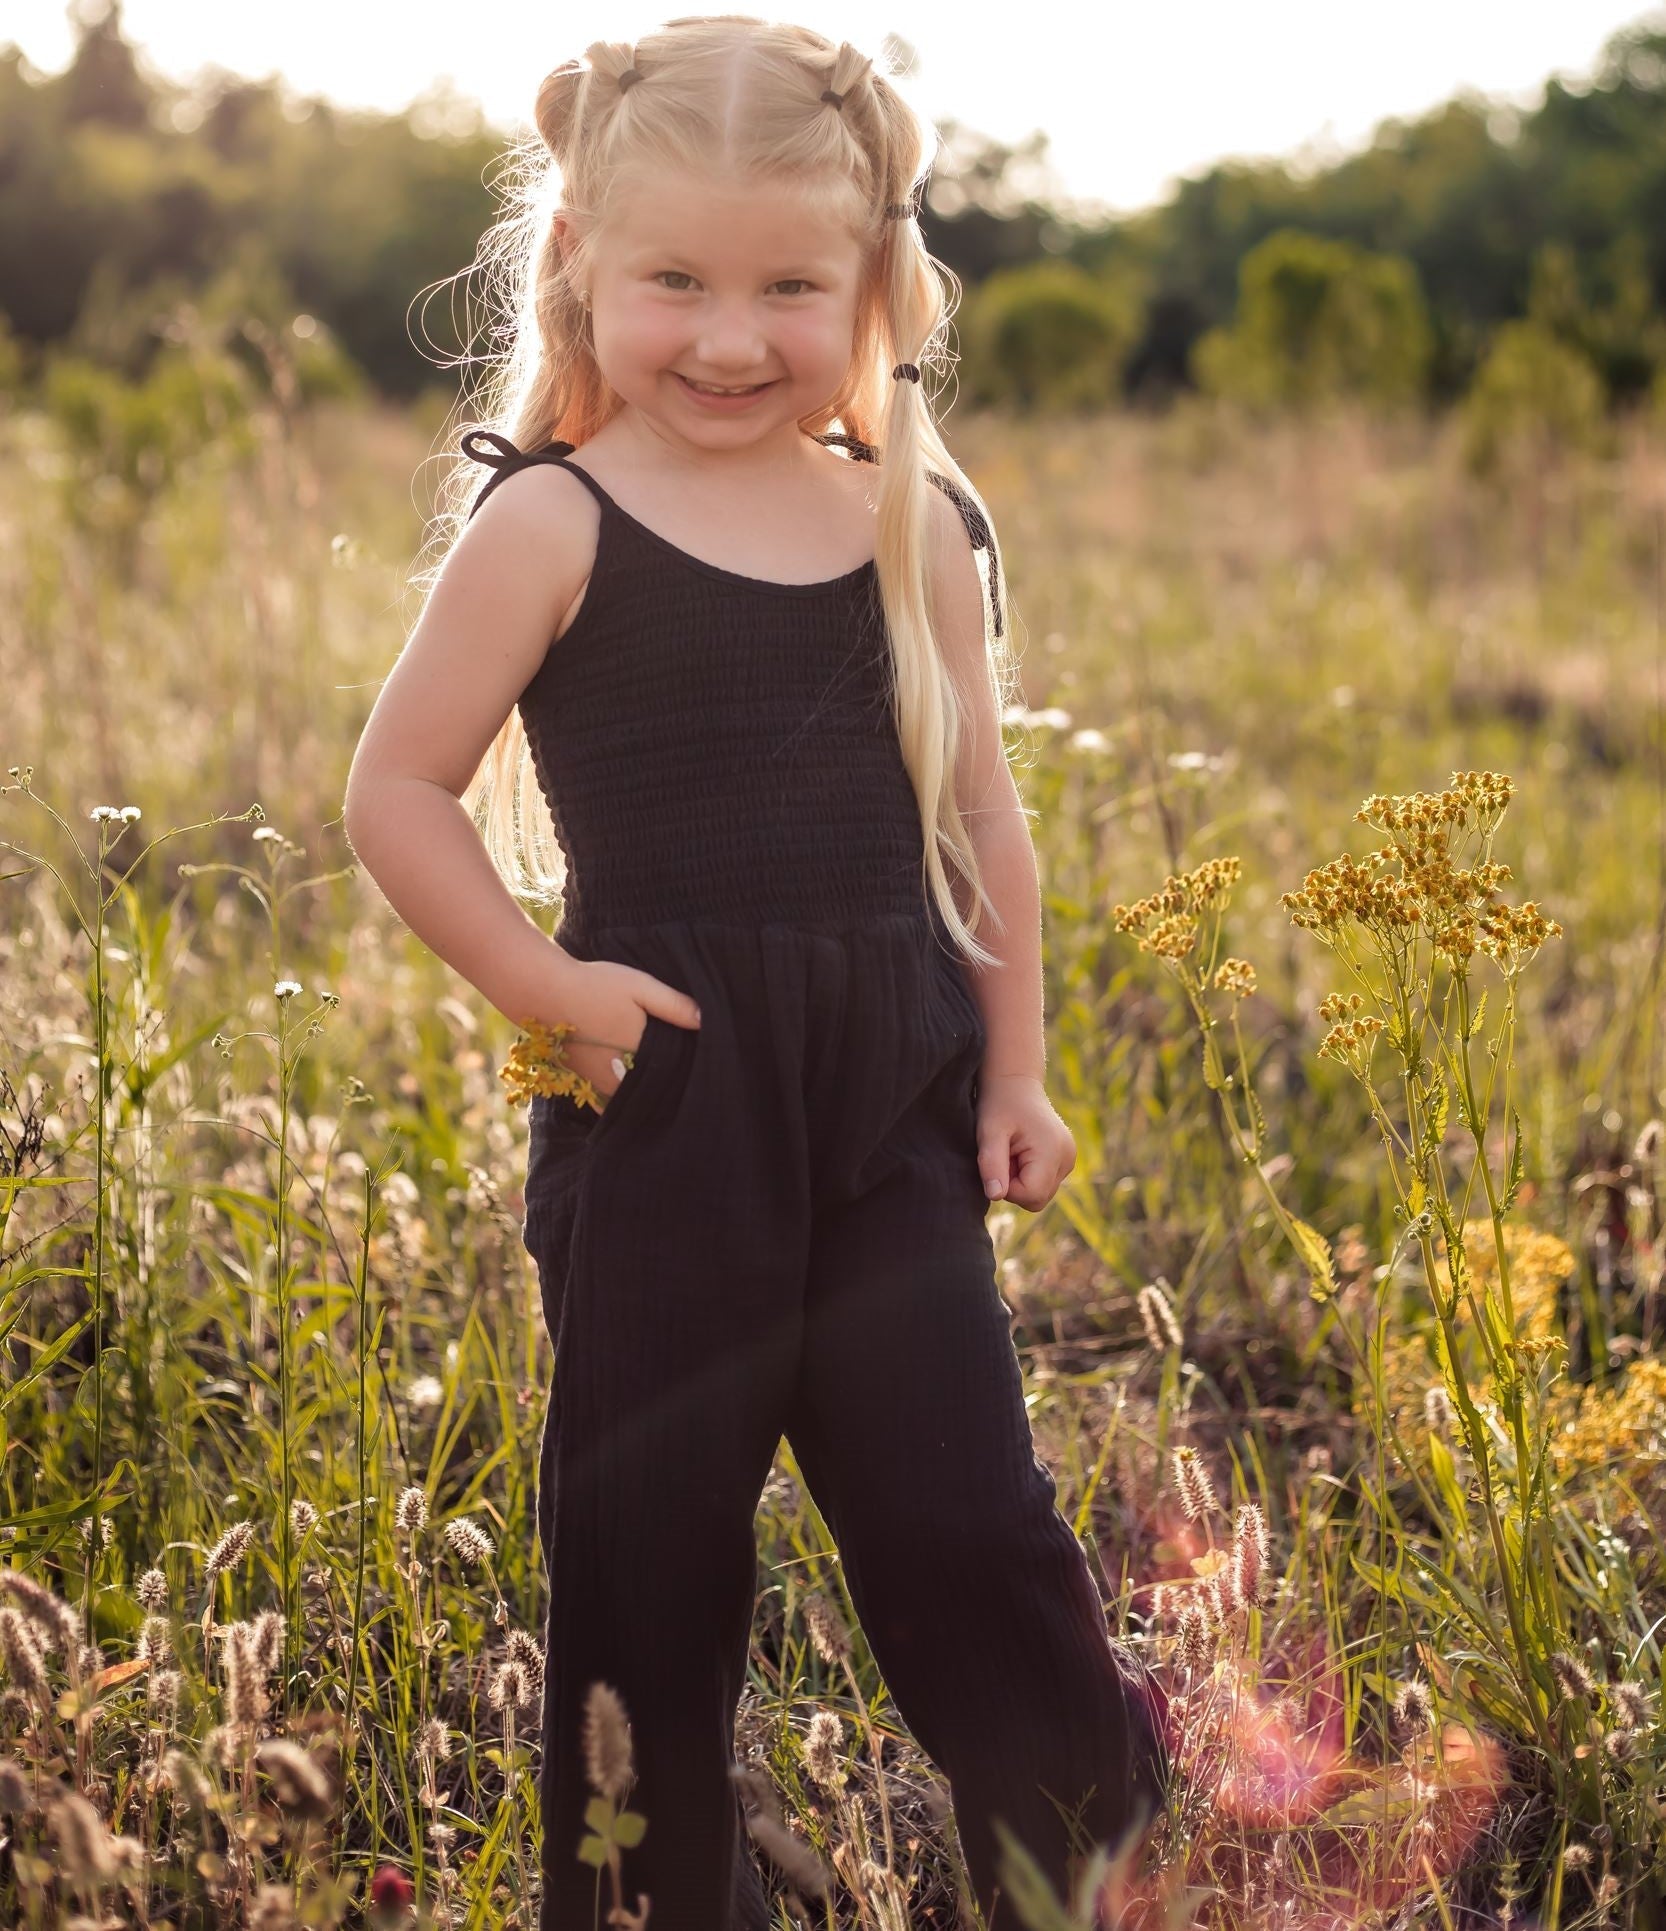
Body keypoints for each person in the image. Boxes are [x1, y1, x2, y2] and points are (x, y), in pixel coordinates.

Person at [342, 17, 1167, 1929]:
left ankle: (1090, 1871)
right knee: (651, 1558)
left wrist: (1017, 1069)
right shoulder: (554, 518)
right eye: (675, 282)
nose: (729, 336)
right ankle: (643, 1903)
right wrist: (553, 995)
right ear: (579, 273)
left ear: (874, 285)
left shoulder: (910, 518)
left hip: (888, 1103)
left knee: (969, 1524)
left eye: (789, 285)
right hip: (672, 1106)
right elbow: (397, 791)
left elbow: (980, 825)